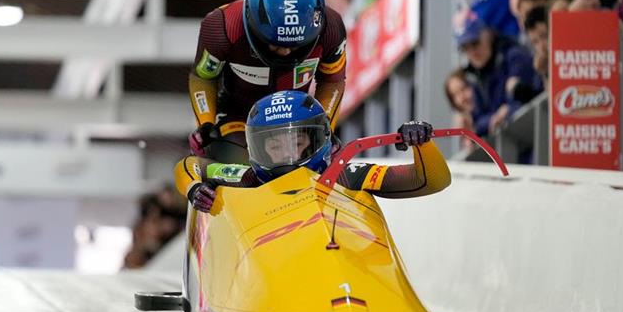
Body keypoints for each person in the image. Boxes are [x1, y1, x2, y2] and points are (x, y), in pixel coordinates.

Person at [175, 91, 451, 213]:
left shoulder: (345, 175)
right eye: (274, 145)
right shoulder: (248, 178)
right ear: (257, 148)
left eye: (296, 142)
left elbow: (430, 180)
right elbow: (191, 165)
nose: (287, 154)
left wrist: (422, 144)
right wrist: (193, 190)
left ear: (317, 140)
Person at [188, 0, 347, 164]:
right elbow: (203, 78)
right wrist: (205, 124)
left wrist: (325, 126)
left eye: (296, 45)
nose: (286, 52)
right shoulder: (222, 26)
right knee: (240, 167)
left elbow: (332, 81)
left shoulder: (332, 27)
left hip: (296, 121)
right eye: (277, 44)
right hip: (238, 118)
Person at [456, 15, 541, 138]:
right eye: (465, 48)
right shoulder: (473, 76)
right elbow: (477, 123)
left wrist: (508, 111)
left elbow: (528, 99)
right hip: (505, 146)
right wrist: (493, 118)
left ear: (487, 34)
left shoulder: (514, 57)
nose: (472, 52)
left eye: (475, 43)